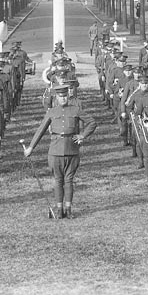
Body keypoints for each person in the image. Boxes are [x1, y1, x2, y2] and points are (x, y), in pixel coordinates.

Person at [24, 82, 98, 220]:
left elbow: (92, 122)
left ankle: (68, 209)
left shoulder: (75, 109)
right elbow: (41, 130)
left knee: (69, 180)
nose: (63, 98)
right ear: (56, 97)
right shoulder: (52, 112)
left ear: (68, 96)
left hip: (72, 149)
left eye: (65, 96)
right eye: (60, 96)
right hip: (55, 151)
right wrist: (31, 147)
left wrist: (82, 135)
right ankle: (59, 209)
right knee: (58, 180)